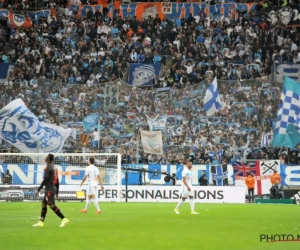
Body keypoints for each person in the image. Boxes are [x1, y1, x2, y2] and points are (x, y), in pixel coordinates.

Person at [33, 154, 69, 228]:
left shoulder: (47, 167)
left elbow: (45, 180)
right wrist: (57, 192)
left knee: (51, 205)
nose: (45, 158)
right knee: (43, 205)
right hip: (52, 188)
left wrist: (38, 189)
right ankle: (41, 222)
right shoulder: (54, 167)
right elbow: (57, 180)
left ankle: (64, 219)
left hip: (49, 188)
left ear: (48, 158)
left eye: (46, 157)